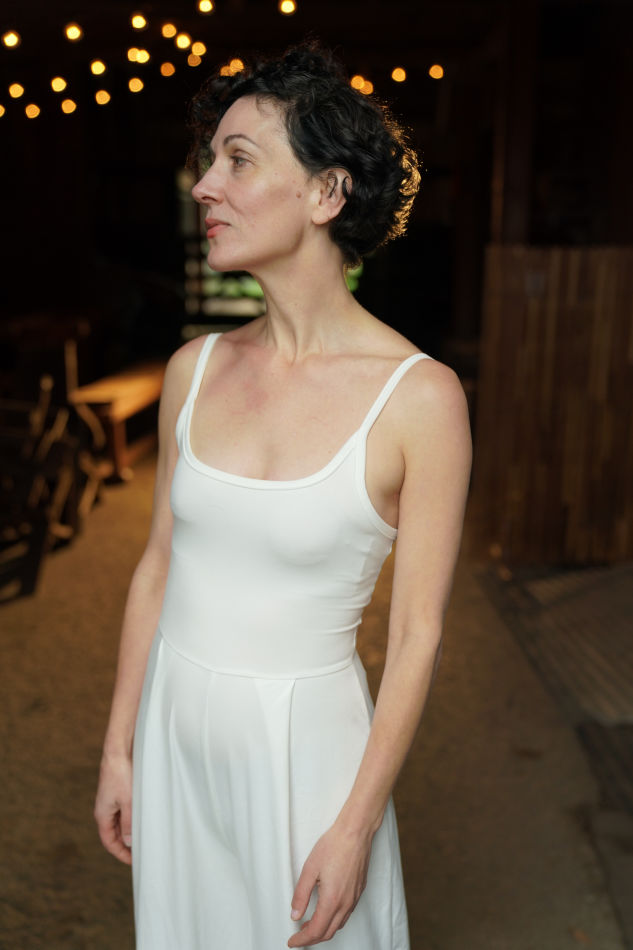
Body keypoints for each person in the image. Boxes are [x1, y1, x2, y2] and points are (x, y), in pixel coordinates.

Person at [94, 41, 472, 950]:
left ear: (326, 193)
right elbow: (157, 567)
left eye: (238, 160)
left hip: (308, 757)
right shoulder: (193, 369)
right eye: (209, 161)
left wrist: (354, 827)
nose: (204, 187)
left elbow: (416, 634)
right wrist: (118, 749)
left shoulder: (420, 398)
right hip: (174, 740)